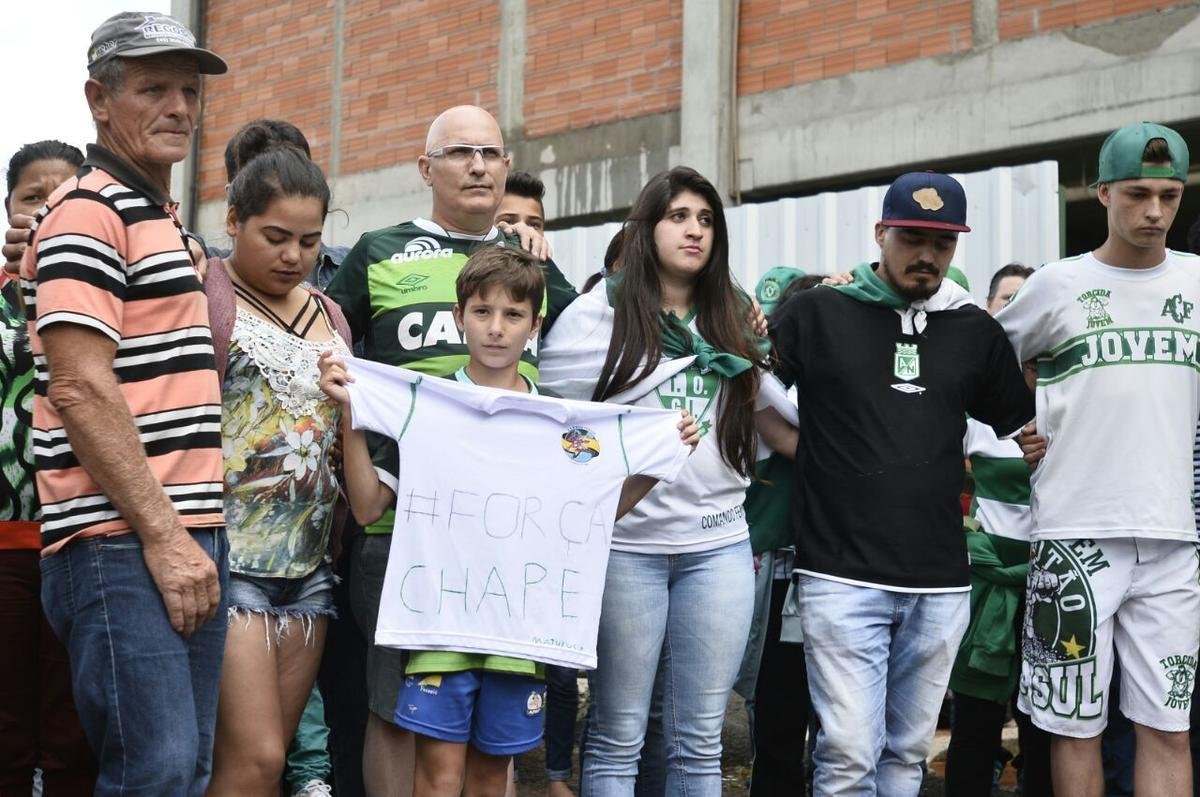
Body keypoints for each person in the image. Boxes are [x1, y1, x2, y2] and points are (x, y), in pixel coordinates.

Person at [320, 245, 698, 797]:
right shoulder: (428, 404)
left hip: (520, 633)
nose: (496, 329)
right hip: (440, 626)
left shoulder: (563, 426)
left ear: (535, 325)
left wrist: (660, 465)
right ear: (458, 318)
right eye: (482, 312)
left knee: (492, 777)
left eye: (513, 315)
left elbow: (594, 514)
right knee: (438, 775)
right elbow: (368, 506)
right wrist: (353, 417)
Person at [324, 104, 576, 797]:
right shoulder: (375, 251)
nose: (478, 165)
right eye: (461, 152)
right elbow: (315, 338)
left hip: (501, 543)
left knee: (491, 742)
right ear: (425, 167)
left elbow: (598, 358)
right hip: (396, 525)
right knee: (394, 711)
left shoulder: (537, 270)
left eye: (492, 153)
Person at [769, 172, 1034, 796]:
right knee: (848, 755)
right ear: (881, 233)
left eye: (942, 244)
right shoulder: (819, 311)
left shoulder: (972, 329)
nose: (927, 256)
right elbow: (746, 379)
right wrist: (806, 449)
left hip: (940, 582)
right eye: (912, 238)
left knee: (907, 756)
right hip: (839, 575)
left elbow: (1023, 425)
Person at [18, 12, 229, 795]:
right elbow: (78, 386)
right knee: (157, 770)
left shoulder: (157, 215)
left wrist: (187, 536)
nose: (179, 106)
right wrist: (168, 536)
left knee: (183, 769)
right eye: (153, 89)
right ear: (98, 99)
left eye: (188, 89)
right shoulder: (88, 210)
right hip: (123, 539)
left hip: (176, 532)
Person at [540, 165, 765, 796]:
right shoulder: (595, 315)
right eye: (678, 217)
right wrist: (599, 470)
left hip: (718, 546)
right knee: (617, 733)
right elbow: (553, 418)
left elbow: (772, 410)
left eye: (706, 219)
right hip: (625, 549)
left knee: (700, 741)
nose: (695, 231)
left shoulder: (733, 318)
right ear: (648, 227)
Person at [998, 122, 1200, 797]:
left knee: (1169, 728)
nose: (1155, 212)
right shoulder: (1059, 284)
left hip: (1173, 537)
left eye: (1169, 196)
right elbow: (983, 362)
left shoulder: (1199, 282)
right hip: (1073, 535)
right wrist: (1020, 424)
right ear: (1102, 191)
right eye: (1138, 193)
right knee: (1074, 727)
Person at [201, 147, 350, 796]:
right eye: (276, 236)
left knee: (273, 762)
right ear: (233, 220)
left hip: (310, 568)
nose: (294, 254)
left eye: (310, 240)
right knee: (253, 759)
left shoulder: (329, 312)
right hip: (232, 563)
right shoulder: (205, 291)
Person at [0, 140, 96, 796]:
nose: (44, 210)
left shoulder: (100, 292)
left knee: (73, 720)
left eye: (60, 196)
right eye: (32, 196)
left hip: (84, 537)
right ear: (9, 208)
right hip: (6, 542)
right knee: (7, 714)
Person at [942, 262, 1055, 796]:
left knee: (1045, 724)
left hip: (1055, 576)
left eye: (1027, 300)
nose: (1017, 311)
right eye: (1007, 300)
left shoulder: (1072, 398)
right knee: (976, 724)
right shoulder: (972, 403)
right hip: (986, 581)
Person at [494, 168, 579, 797]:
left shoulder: (553, 290)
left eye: (536, 224)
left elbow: (589, 317)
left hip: (535, 498)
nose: (524, 234)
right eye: (509, 221)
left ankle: (553, 776)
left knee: (548, 654)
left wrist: (546, 269)